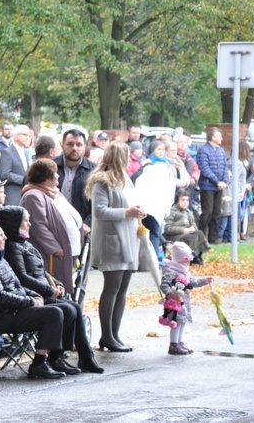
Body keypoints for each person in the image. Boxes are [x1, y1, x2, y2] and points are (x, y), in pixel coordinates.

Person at [0, 206, 103, 373]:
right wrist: (48, 289)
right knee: (69, 308)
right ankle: (65, 357)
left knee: (73, 307)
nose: (29, 224)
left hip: (42, 291)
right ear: (14, 223)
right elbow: (22, 277)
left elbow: (41, 271)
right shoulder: (12, 246)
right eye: (26, 221)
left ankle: (78, 356)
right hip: (31, 294)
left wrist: (56, 282)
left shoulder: (24, 243)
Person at [0, 221, 78, 379]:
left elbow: (17, 284)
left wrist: (34, 295)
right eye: (0, 235)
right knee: (54, 313)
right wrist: (30, 302)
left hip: (17, 308)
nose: (5, 238)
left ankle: (56, 358)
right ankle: (39, 364)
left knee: (68, 309)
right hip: (4, 316)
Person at [85, 141, 144, 352]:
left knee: (123, 289)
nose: (129, 160)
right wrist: (128, 212)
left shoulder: (125, 179)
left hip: (129, 237)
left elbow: (129, 203)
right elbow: (100, 211)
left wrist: (138, 210)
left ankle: (115, 334)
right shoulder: (102, 181)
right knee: (112, 288)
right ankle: (106, 336)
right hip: (113, 239)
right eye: (126, 156)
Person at [20, 159, 83, 295]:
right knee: (56, 288)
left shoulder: (51, 193)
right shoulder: (33, 195)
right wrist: (54, 248)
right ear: (46, 177)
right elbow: (37, 225)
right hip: (52, 255)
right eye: (55, 173)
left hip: (67, 250)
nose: (58, 175)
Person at [160, 243, 213, 355]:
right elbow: (164, 285)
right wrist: (171, 294)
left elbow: (193, 282)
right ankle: (173, 344)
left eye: (189, 261)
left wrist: (205, 280)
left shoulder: (184, 270)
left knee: (182, 322)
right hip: (174, 303)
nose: (188, 264)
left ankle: (180, 342)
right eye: (185, 261)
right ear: (178, 260)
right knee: (176, 322)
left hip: (184, 303)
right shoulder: (171, 270)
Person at [132, 140, 177, 264]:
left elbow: (170, 187)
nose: (161, 152)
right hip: (147, 204)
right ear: (152, 151)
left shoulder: (167, 165)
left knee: (154, 232)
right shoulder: (148, 165)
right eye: (158, 149)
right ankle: (150, 260)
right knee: (150, 233)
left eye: (163, 149)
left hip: (159, 206)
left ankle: (151, 259)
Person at [54, 129, 95, 233]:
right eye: (70, 144)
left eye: (79, 144)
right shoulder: (50, 167)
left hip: (83, 229)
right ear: (62, 145)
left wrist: (88, 223)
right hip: (54, 227)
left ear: (85, 147)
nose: (74, 148)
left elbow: (99, 203)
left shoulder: (94, 171)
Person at [197, 128, 228, 244]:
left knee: (216, 213)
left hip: (219, 186)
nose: (222, 138)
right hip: (207, 186)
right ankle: (200, 238)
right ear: (213, 138)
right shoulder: (203, 151)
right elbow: (204, 169)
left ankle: (213, 238)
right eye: (220, 136)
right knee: (207, 212)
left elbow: (225, 166)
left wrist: (224, 181)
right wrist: (216, 181)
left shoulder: (221, 150)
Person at [164, 189, 210, 264]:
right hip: (176, 236)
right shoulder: (172, 211)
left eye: (187, 200)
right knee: (194, 236)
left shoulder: (188, 212)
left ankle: (197, 255)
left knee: (199, 233)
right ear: (177, 200)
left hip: (188, 234)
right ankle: (190, 256)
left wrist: (193, 228)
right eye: (183, 200)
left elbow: (193, 224)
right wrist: (183, 230)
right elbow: (167, 228)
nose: (185, 202)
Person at [0, 124, 31, 205]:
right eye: (24, 134)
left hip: (25, 194)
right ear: (16, 136)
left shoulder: (26, 152)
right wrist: (24, 180)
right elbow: (4, 174)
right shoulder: (7, 152)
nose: (27, 137)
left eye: (29, 135)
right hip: (13, 195)